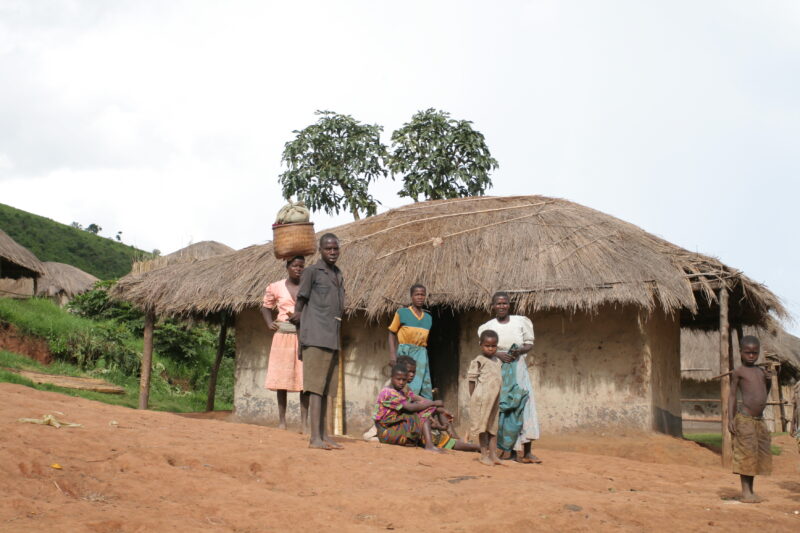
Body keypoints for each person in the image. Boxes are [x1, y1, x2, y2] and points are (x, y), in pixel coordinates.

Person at [291, 233, 345, 450]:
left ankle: (324, 435)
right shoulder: (312, 272)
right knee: (315, 388)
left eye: (335, 249)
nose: (332, 252)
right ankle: (314, 438)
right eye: (328, 248)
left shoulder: (338, 274)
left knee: (326, 389)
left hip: (332, 337)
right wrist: (300, 336)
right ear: (320, 250)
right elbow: (300, 302)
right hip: (315, 336)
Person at [477, 291, 541, 464]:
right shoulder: (487, 327)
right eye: (498, 303)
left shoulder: (521, 322)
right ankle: (510, 451)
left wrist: (519, 351)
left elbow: (529, 344)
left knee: (524, 404)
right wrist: (498, 353)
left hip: (518, 369)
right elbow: (485, 347)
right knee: (505, 408)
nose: (502, 306)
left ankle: (527, 452)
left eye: (505, 303)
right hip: (498, 369)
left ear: (509, 305)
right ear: (493, 306)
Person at [260, 256, 309, 432]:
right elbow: (266, 306)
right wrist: (268, 323)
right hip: (283, 336)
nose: (298, 269)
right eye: (295, 266)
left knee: (305, 381)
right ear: (287, 267)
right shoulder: (276, 287)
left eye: (301, 266)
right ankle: (282, 421)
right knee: (282, 380)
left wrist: (303, 316)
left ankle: (304, 423)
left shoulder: (308, 286)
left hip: (304, 336)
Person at [728, 335, 772, 503]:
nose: (751, 356)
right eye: (748, 353)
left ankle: (751, 491)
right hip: (745, 419)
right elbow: (732, 396)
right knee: (746, 455)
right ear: (741, 352)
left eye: (755, 353)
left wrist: (769, 382)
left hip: (759, 420)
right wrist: (730, 418)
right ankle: (746, 492)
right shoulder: (739, 371)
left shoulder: (761, 371)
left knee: (755, 456)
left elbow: (764, 393)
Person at [373, 363, 443, 452]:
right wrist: (434, 403)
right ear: (391, 377)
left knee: (422, 408)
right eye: (398, 379)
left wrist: (435, 406)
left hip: (392, 430)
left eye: (404, 380)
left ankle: (426, 441)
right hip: (387, 433)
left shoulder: (400, 392)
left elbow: (417, 400)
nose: (401, 382)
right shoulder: (388, 392)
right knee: (421, 411)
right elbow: (411, 407)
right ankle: (429, 445)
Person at [388, 284, 433, 399]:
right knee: (404, 383)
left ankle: (423, 413)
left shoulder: (428, 318)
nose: (420, 297)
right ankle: (405, 411)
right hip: (405, 352)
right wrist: (393, 356)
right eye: (417, 294)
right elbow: (392, 332)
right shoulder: (402, 313)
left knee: (423, 384)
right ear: (411, 296)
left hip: (421, 353)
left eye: (422, 295)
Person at [468, 330, 504, 466]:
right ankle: (484, 455)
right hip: (481, 399)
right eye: (487, 345)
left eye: (494, 346)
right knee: (483, 428)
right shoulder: (478, 361)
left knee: (493, 428)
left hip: (494, 400)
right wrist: (473, 397)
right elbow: (471, 380)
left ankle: (493, 454)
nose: (490, 348)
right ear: (480, 345)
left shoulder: (498, 361)